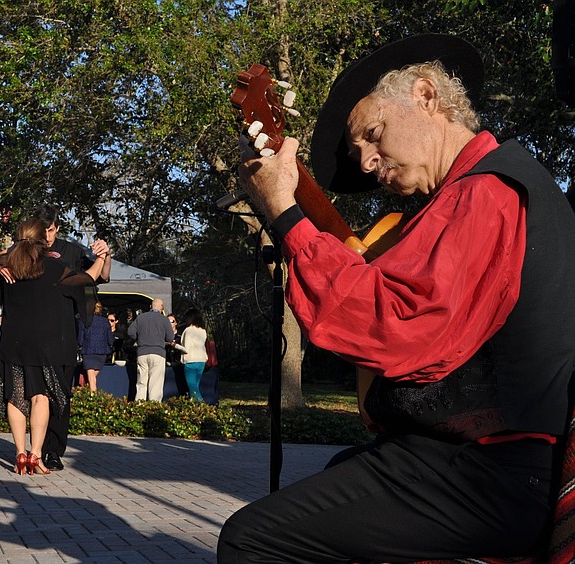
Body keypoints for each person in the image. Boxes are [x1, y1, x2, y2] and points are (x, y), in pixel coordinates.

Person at [217, 34, 575, 563]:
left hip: (495, 472)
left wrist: (285, 213)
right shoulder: (466, 196)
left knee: (253, 540)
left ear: (427, 96)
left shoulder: (487, 193)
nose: (364, 163)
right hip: (467, 462)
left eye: (373, 133)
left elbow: (399, 324)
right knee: (341, 473)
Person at [0, 218, 103, 475]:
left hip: (14, 340)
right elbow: (87, 279)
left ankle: (18, 452)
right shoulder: (55, 267)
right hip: (45, 343)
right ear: (43, 239)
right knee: (41, 397)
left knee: (16, 397)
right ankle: (35, 455)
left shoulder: (7, 267)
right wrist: (102, 258)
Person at [35, 204, 112, 471]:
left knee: (60, 395)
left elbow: (101, 275)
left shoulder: (72, 251)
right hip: (33, 333)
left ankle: (53, 451)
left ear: (58, 227)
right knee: (34, 395)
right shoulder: (27, 250)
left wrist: (105, 254)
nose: (47, 237)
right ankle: (32, 450)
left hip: (64, 334)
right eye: (43, 231)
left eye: (52, 230)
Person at [127, 298, 174, 401]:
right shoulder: (164, 319)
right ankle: (153, 410)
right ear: (161, 308)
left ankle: (139, 408)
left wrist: (139, 338)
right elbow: (170, 338)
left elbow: (130, 332)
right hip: (158, 353)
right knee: (155, 385)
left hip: (142, 353)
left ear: (150, 306)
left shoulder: (140, 318)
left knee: (141, 383)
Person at [78, 302, 114, 391]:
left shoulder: (84, 321)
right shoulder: (105, 322)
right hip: (101, 352)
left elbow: (80, 340)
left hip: (88, 351)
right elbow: (110, 340)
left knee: (91, 379)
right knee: (92, 377)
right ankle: (89, 393)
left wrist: (80, 345)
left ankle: (92, 399)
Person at [175, 308, 207, 401]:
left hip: (191, 363)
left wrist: (175, 345)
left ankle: (203, 408)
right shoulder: (203, 330)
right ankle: (196, 409)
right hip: (201, 361)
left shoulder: (188, 330)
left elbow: (186, 349)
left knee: (193, 390)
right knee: (196, 387)